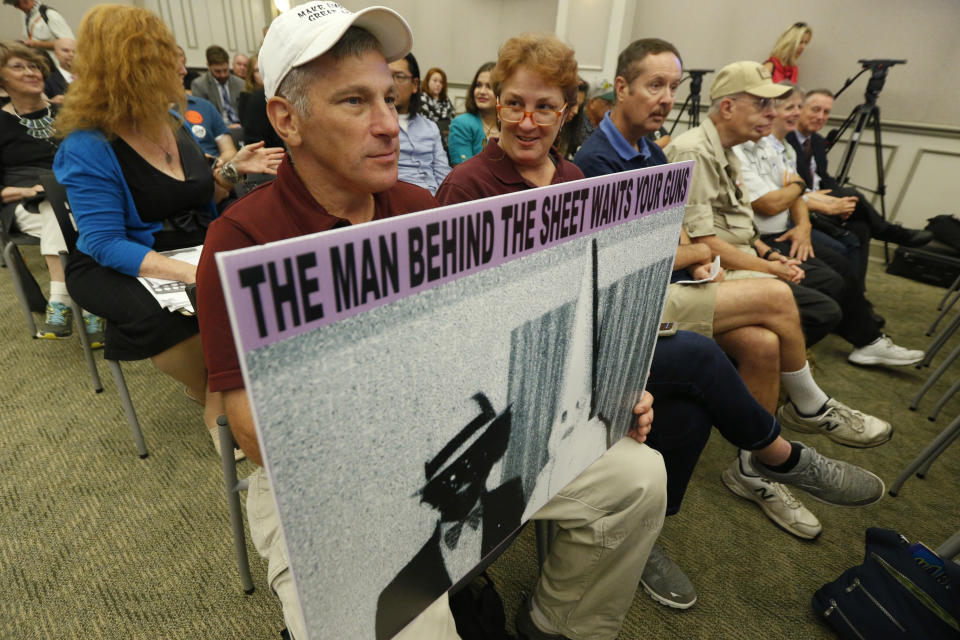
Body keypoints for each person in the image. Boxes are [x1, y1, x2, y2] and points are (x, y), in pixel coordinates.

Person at [198, 12, 664, 639]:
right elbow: (257, 436)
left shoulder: (421, 211)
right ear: (287, 120)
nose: (389, 123)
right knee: (408, 623)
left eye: (389, 97)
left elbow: (495, 343)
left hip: (458, 440)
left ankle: (558, 626)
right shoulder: (242, 240)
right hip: (331, 487)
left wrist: (604, 389)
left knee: (637, 477)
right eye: (355, 102)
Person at [437, 31, 883, 624]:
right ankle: (777, 454)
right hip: (511, 378)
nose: (527, 120)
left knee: (689, 415)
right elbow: (461, 326)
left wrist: (620, 365)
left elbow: (595, 291)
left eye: (545, 106)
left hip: (582, 353)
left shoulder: (573, 180)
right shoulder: (466, 187)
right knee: (698, 359)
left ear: (567, 110)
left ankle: (640, 536)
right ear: (494, 104)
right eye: (515, 103)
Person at [573, 38, 887, 608]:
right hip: (636, 303)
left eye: (672, 87)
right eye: (654, 86)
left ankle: (748, 473)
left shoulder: (646, 152)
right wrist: (698, 256)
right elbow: (619, 265)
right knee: (771, 303)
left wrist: (702, 252)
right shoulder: (599, 161)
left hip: (668, 286)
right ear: (620, 89)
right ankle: (798, 430)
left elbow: (683, 235)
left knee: (763, 344)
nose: (667, 98)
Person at [52, 5, 282, 454]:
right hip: (120, 260)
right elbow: (102, 242)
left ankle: (225, 391)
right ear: (130, 69)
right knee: (175, 317)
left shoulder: (170, 124)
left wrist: (232, 172)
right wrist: (192, 274)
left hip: (188, 245)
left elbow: (199, 197)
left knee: (260, 276)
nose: (181, 66)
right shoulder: (87, 144)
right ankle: (215, 397)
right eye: (165, 57)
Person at [735, 86, 924, 367]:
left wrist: (803, 227)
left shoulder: (770, 145)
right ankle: (857, 335)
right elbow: (771, 203)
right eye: (773, 108)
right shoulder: (740, 148)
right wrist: (797, 189)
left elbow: (793, 193)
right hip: (763, 238)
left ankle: (868, 340)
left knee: (845, 254)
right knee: (834, 274)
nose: (775, 114)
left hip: (787, 231)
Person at [0, 40, 103, 343]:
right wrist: (27, 190)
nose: (31, 72)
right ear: (2, 79)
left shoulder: (67, 112)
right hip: (24, 203)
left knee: (62, 206)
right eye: (18, 67)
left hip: (79, 196)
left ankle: (64, 302)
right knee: (53, 205)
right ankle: (89, 305)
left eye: (33, 66)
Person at [786, 88, 932, 282]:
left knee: (861, 226)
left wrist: (841, 200)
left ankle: (856, 295)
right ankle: (889, 232)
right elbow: (794, 185)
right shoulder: (784, 139)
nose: (821, 116)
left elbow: (824, 178)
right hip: (802, 205)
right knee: (852, 192)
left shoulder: (818, 142)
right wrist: (835, 198)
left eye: (826, 112)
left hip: (822, 199)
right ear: (799, 109)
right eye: (815, 109)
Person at [389, 52, 450, 194]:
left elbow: (442, 171)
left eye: (398, 76)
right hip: (398, 202)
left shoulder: (430, 127)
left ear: (415, 85)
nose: (390, 83)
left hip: (434, 201)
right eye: (386, 76)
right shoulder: (377, 127)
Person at [176, 46, 235, 160]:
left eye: (183, 66)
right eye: (176, 69)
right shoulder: (151, 115)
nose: (184, 71)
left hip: (216, 167)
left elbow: (229, 151)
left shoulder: (205, 106)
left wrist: (218, 164)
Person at [447, 61, 496, 165]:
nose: (482, 91)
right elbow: (462, 171)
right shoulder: (462, 123)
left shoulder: (509, 125)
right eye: (478, 85)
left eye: (489, 87)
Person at [190, 44, 245, 128]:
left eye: (225, 70)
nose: (222, 75)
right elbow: (204, 116)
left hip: (241, 128)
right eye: (217, 71)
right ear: (208, 66)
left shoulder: (240, 84)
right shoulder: (199, 85)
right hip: (216, 130)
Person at [4, 0, 73, 52]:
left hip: (55, 66)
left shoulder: (50, 15)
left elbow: (70, 44)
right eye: (14, 4)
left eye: (17, 3)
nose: (16, 7)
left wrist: (37, 44)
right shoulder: (28, 18)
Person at [42, 37, 73, 103]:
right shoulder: (47, 80)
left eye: (75, 51)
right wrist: (51, 103)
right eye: (66, 51)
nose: (71, 54)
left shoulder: (90, 77)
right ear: (56, 54)